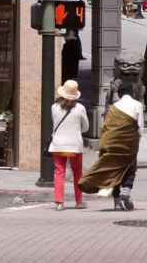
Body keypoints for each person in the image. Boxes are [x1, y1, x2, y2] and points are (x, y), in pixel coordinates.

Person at [79, 83, 143, 211]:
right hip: (129, 144)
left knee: (113, 171)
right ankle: (126, 190)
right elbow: (140, 127)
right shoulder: (137, 105)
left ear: (119, 94)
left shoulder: (114, 107)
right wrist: (135, 143)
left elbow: (107, 127)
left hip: (112, 143)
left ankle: (117, 201)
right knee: (130, 168)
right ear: (132, 93)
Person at [49, 80, 89, 211]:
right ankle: (79, 201)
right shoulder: (80, 108)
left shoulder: (54, 107)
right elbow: (86, 127)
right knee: (77, 172)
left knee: (59, 172)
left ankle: (59, 202)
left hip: (58, 145)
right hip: (74, 145)